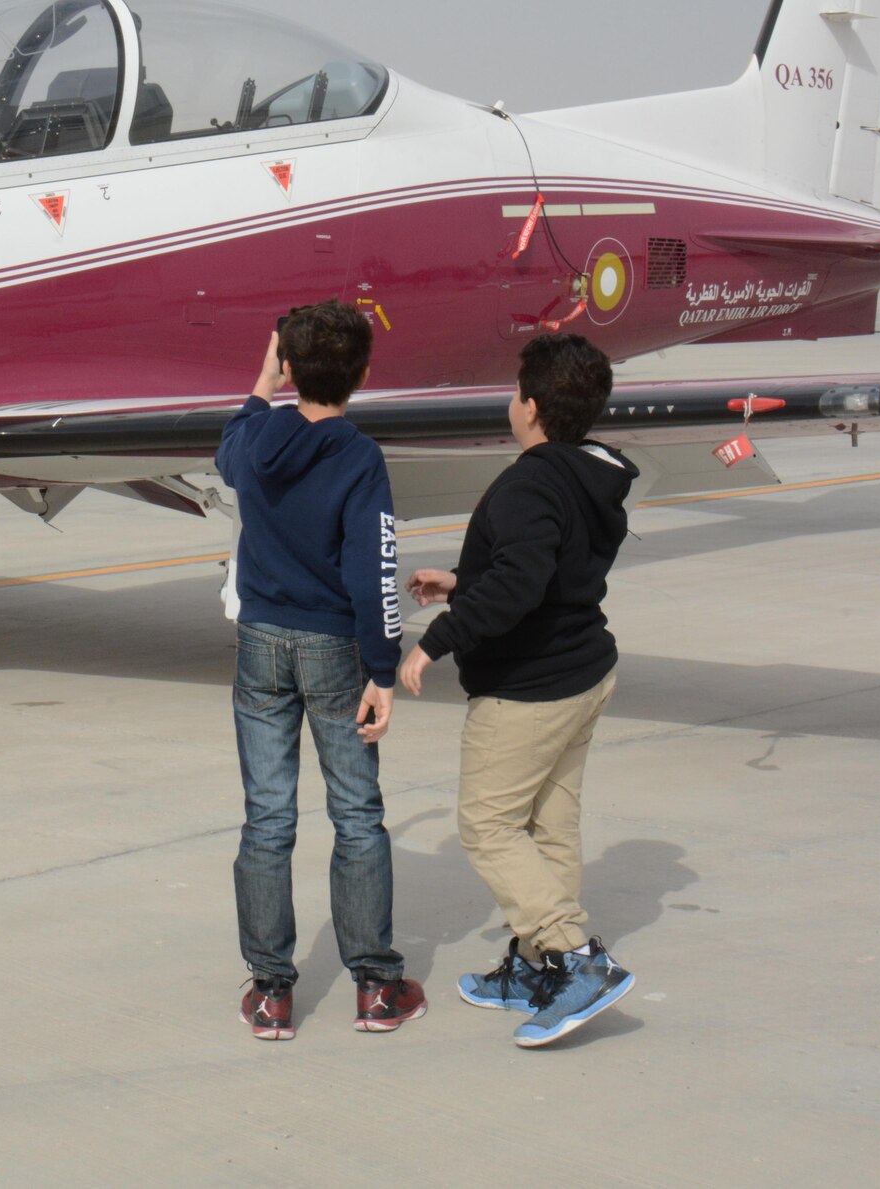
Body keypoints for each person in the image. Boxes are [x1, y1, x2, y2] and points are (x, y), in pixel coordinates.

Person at [397, 332, 639, 1048]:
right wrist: (464, 580)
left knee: (489, 825)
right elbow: (547, 571)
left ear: (530, 407)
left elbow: (523, 580)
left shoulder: (532, 480)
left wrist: (437, 638)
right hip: (582, 673)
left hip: (529, 689)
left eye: (514, 391)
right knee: (549, 824)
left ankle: (573, 958)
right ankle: (536, 968)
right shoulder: (589, 475)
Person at [217, 299, 423, 1041]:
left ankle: (271, 988)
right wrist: (383, 666)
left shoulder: (257, 437)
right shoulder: (359, 457)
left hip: (263, 643)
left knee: (268, 817)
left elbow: (229, 445)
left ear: (289, 367)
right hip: (334, 647)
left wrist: (263, 379)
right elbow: (375, 569)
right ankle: (373, 982)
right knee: (356, 813)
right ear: (363, 373)